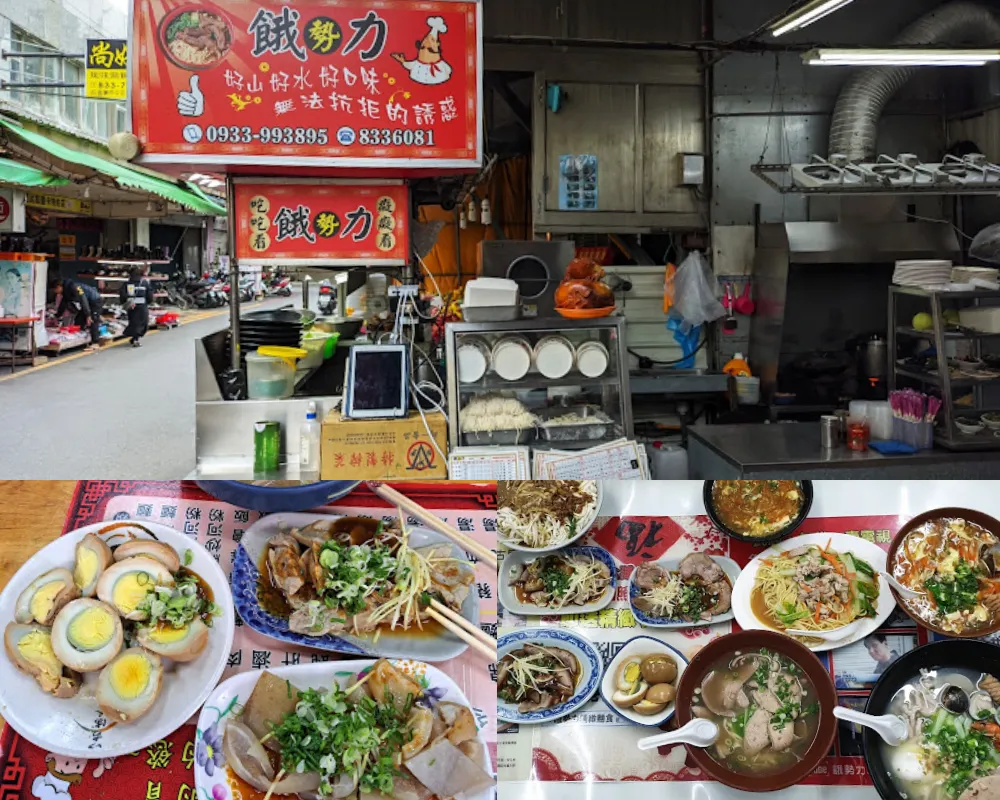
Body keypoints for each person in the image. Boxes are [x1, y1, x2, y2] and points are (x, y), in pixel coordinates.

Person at [51, 277, 103, 352]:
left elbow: (83, 299)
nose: (56, 292)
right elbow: (63, 303)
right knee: (79, 320)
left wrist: (88, 314)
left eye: (55, 290)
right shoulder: (66, 291)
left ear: (59, 286)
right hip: (87, 304)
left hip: (95, 301)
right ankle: (82, 336)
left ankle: (95, 343)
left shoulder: (74, 287)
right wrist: (57, 315)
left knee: (93, 320)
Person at [119, 267, 152, 347]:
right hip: (142, 306)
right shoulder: (144, 283)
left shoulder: (127, 284)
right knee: (143, 323)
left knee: (134, 322)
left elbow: (122, 295)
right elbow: (150, 295)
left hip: (132, 306)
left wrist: (127, 302)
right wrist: (148, 302)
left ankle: (133, 337)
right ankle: (135, 339)